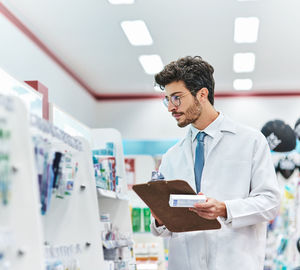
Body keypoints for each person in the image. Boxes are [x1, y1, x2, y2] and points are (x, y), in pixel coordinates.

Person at [150, 56, 280, 270]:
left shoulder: (250, 141)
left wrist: (224, 209)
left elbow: (270, 203)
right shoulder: (172, 156)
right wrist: (160, 219)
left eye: (177, 98)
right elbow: (165, 230)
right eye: (167, 99)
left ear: (202, 94)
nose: (170, 108)